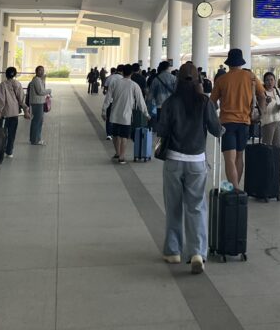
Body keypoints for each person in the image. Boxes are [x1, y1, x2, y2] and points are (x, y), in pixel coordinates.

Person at [157, 61, 222, 274]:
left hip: (174, 160)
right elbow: (216, 129)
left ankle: (173, 251)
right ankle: (197, 253)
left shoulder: (171, 102)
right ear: (198, 81)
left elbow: (161, 130)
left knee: (173, 207)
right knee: (196, 207)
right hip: (196, 162)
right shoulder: (204, 102)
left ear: (177, 80)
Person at [209, 48, 267, 189]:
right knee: (239, 156)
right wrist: (261, 113)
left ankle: (234, 189)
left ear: (228, 63)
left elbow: (211, 103)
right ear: (241, 62)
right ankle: (236, 189)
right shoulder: (251, 77)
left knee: (230, 159)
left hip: (226, 123)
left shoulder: (222, 80)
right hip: (245, 123)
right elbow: (262, 95)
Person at [103, 64, 147, 164]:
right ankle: (121, 157)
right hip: (126, 116)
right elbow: (140, 101)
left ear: (122, 72)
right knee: (124, 137)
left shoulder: (115, 83)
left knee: (115, 135)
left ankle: (117, 153)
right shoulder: (134, 85)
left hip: (114, 114)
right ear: (131, 73)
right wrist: (146, 114)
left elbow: (108, 98)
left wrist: (104, 111)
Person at [0, 67, 30, 157]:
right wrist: (26, 110)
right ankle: (9, 152)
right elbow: (21, 100)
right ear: (15, 74)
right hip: (14, 113)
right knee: (12, 133)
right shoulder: (18, 84)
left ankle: (0, 149)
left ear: (6, 74)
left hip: (4, 113)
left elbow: (1, 99)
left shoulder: (3, 84)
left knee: (1, 132)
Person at [259, 72, 280, 147]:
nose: (270, 82)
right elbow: (260, 110)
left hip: (277, 122)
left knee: (277, 146)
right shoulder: (261, 93)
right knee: (267, 145)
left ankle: (277, 156)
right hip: (267, 122)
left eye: (271, 79)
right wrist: (266, 103)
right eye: (267, 80)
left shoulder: (277, 91)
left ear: (274, 81)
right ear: (264, 81)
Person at [27, 66, 50, 146]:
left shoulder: (39, 80)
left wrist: (43, 80)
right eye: (40, 70)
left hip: (38, 102)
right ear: (36, 71)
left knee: (38, 121)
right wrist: (49, 91)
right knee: (37, 121)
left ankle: (35, 139)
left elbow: (42, 89)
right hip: (37, 103)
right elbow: (40, 91)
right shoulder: (36, 80)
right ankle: (35, 140)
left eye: (43, 70)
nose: (42, 72)